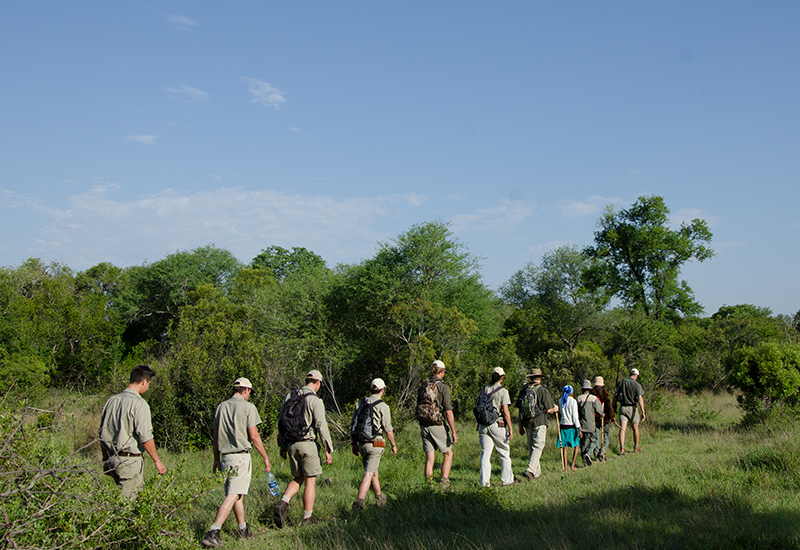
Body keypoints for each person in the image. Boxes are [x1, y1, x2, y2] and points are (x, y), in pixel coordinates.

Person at [201, 378, 272, 548]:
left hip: (225, 456)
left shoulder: (221, 407)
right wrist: (265, 457)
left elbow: (216, 437)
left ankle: (243, 528)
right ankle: (214, 530)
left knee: (236, 493)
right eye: (250, 392)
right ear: (246, 390)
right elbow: (254, 436)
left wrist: (216, 459)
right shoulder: (248, 408)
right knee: (233, 495)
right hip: (240, 456)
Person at [274, 370, 333, 528]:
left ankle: (283, 502)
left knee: (298, 477)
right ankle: (307, 518)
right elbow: (321, 426)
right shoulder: (315, 400)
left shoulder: (290, 396)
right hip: (308, 443)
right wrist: (328, 449)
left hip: (291, 444)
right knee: (310, 481)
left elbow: (281, 421)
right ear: (318, 383)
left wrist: (282, 445)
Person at [99, 365, 167, 499]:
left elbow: (102, 433)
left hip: (112, 458)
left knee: (121, 498)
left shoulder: (111, 401)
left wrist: (106, 459)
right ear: (143, 382)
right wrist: (157, 461)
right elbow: (145, 436)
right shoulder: (140, 404)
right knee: (128, 505)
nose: (148, 387)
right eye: (148, 383)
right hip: (129, 461)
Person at [350, 378, 397, 512]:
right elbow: (388, 429)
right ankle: (358, 504)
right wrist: (393, 444)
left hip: (361, 443)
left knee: (373, 471)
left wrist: (354, 444)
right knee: (369, 473)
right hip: (376, 443)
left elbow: (353, 424)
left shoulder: (360, 403)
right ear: (382, 390)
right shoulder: (383, 406)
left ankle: (381, 499)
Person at [417, 360, 458, 490]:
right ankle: (444, 482)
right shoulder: (443, 387)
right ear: (441, 371)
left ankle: (428, 486)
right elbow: (448, 411)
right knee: (448, 453)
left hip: (424, 425)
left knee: (430, 458)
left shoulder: (423, 386)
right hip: (437, 424)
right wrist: (453, 431)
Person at [516, 368, 558, 481]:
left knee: (532, 448)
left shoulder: (524, 390)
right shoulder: (542, 390)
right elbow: (549, 410)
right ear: (539, 378)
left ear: (531, 378)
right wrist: (556, 408)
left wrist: (520, 425)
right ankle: (529, 470)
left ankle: (536, 473)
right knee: (538, 446)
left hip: (527, 422)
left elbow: (520, 409)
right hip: (539, 421)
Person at [476, 367, 514, 487]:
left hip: (483, 425)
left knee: (485, 454)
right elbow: (506, 411)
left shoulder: (484, 389)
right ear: (502, 377)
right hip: (497, 424)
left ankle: (484, 483)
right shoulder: (503, 391)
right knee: (503, 452)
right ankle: (507, 480)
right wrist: (511, 428)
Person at [613, 368, 646, 455]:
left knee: (622, 429)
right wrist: (643, 411)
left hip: (623, 408)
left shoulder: (622, 382)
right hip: (632, 408)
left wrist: (613, 406)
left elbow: (615, 395)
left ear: (630, 373)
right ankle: (636, 447)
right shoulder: (637, 385)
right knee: (635, 428)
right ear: (637, 376)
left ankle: (622, 448)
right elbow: (640, 398)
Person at [576, 379, 603, 467]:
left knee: (583, 443)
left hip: (581, 424)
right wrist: (602, 415)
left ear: (582, 389)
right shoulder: (593, 398)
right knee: (594, 440)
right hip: (591, 423)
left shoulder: (578, 398)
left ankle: (584, 461)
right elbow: (599, 411)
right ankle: (589, 453)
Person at [557, 385, 581, 472]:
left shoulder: (561, 400)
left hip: (563, 424)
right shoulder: (573, 401)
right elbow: (575, 416)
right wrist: (579, 428)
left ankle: (565, 467)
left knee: (565, 447)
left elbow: (560, 411)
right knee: (576, 445)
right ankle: (573, 465)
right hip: (571, 425)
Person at [590, 376, 615, 460]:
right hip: (604, 418)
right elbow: (608, 406)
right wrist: (612, 416)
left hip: (593, 418)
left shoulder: (591, 393)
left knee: (596, 437)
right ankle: (602, 452)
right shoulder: (604, 393)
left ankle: (597, 455)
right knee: (606, 436)